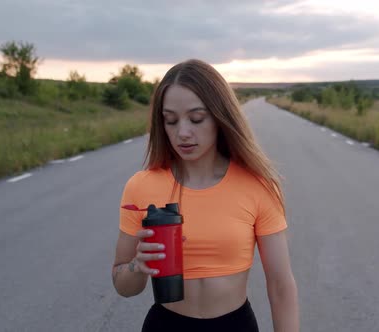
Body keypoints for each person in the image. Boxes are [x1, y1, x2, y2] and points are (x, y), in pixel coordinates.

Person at [111, 59, 299, 331]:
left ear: (220, 116)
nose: (183, 133)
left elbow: (281, 286)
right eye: (171, 121)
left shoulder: (257, 185)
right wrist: (138, 266)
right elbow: (123, 287)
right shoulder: (141, 186)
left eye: (196, 118)